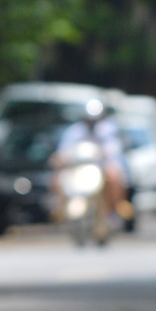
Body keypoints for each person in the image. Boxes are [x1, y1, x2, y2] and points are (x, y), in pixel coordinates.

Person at [55, 97, 130, 228]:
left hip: (101, 168)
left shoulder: (108, 129)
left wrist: (109, 156)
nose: (91, 122)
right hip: (78, 169)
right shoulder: (75, 131)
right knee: (57, 179)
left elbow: (114, 149)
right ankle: (59, 209)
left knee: (114, 176)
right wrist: (60, 159)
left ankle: (115, 209)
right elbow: (64, 150)